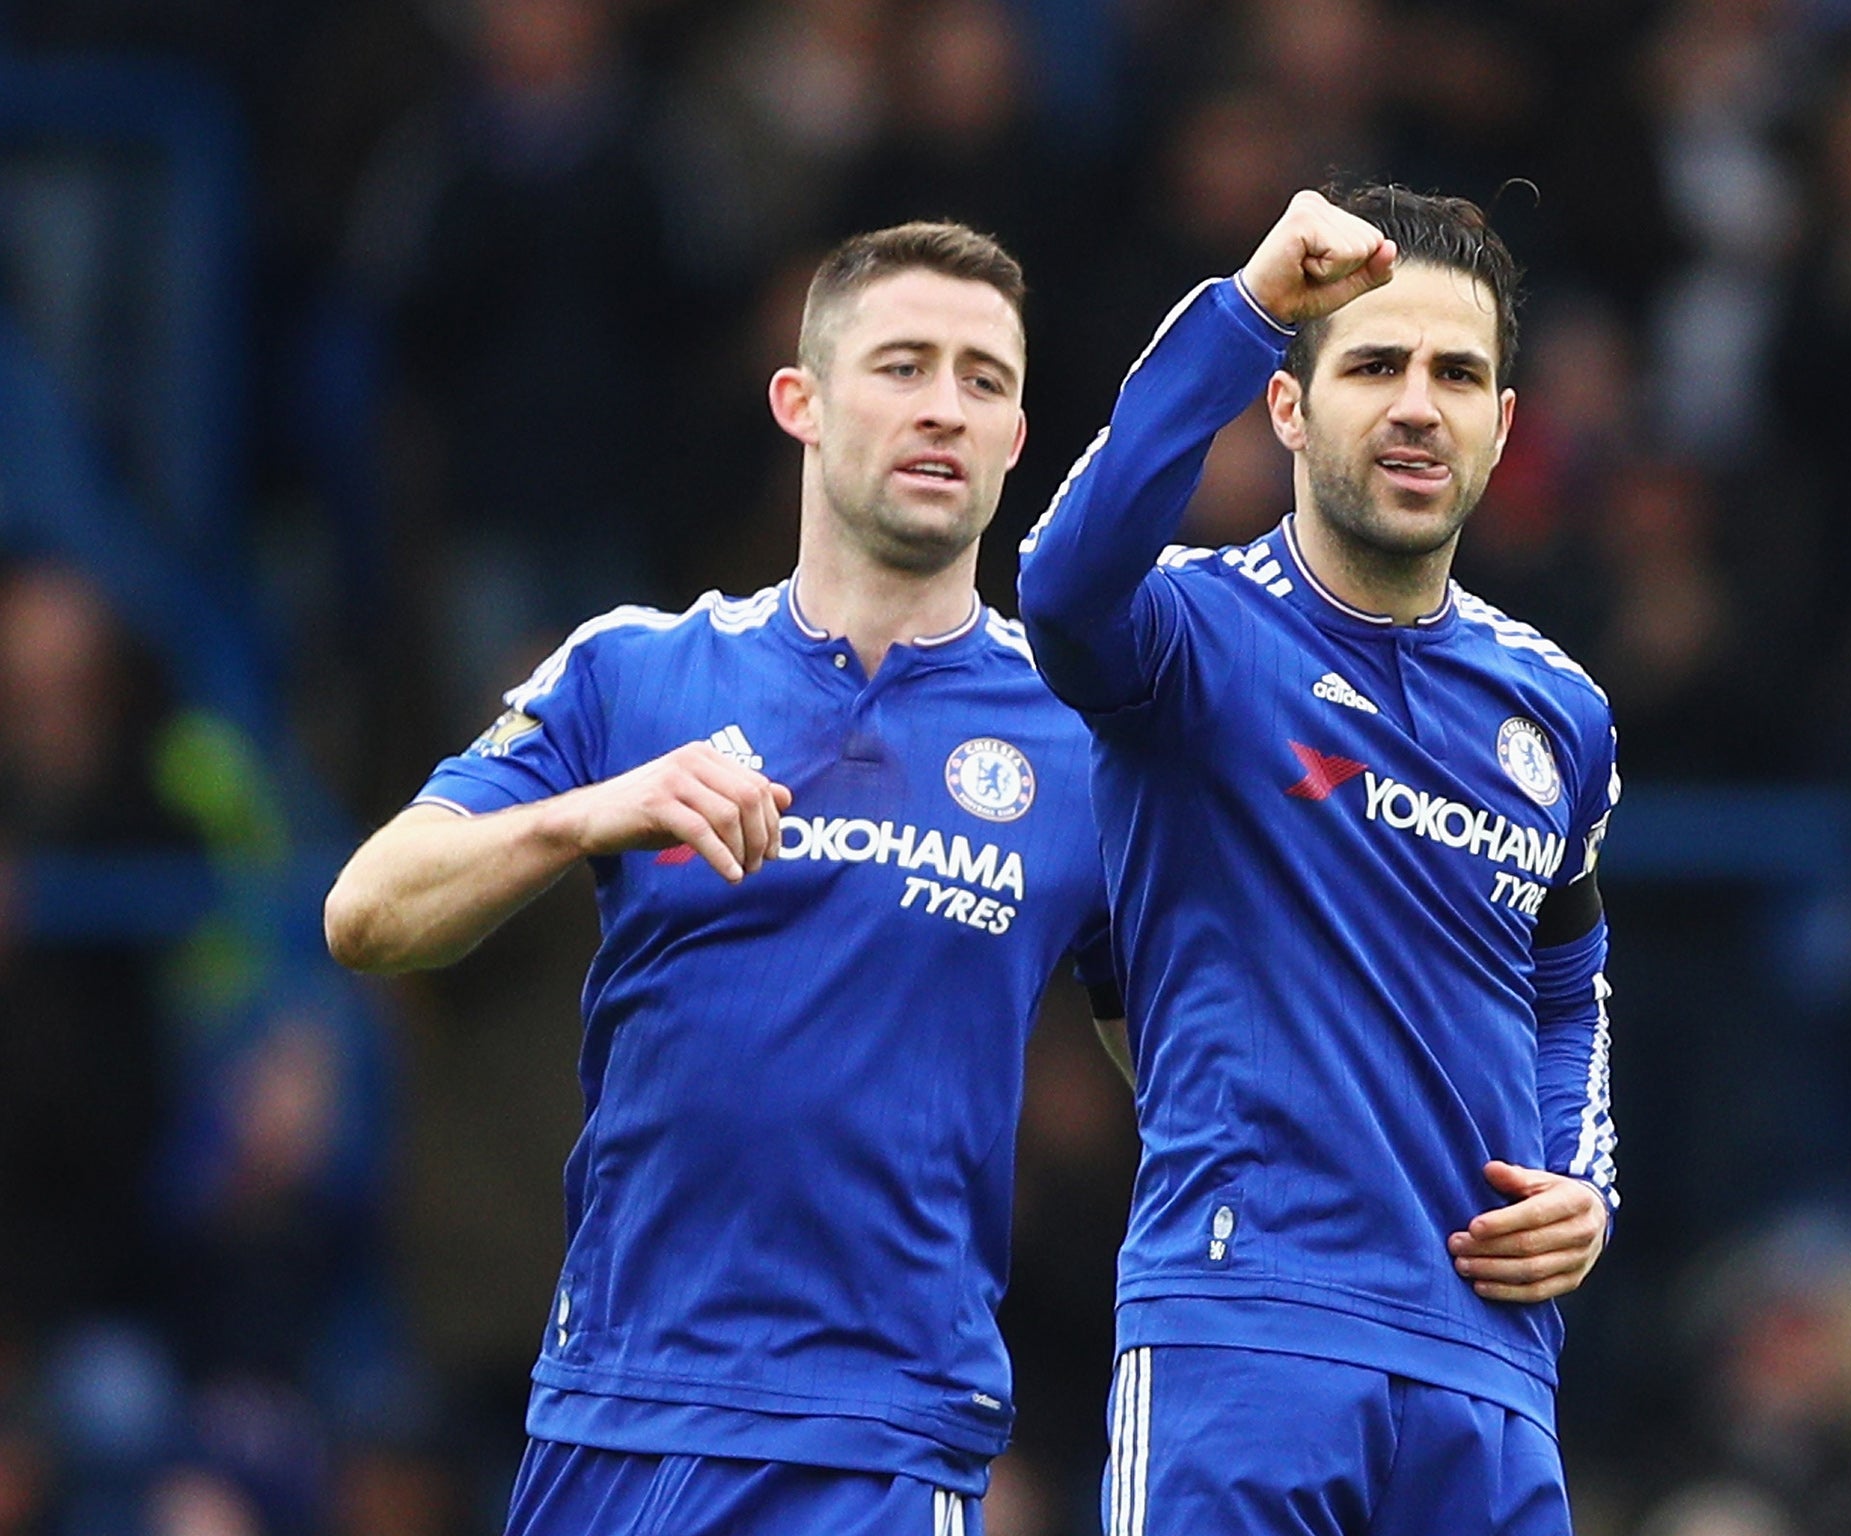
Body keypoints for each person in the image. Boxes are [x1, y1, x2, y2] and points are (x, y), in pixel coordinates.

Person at [324, 221, 1117, 1536]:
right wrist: (590, 816)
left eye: (983, 380)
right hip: (612, 1414)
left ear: (1018, 438)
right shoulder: (634, 674)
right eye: (904, 365)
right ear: (799, 402)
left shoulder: (1079, 747)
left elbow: (1198, 1058)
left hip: (876, 1436)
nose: (944, 408)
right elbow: (368, 914)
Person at [1016, 186, 1620, 1534]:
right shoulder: (1187, 639)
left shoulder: (1559, 712)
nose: (1419, 405)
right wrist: (1245, 311)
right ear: (1290, 408)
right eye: (1372, 365)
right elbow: (1056, 587)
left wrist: (1584, 1182)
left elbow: (1568, 981)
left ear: (1503, 427)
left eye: (1458, 374)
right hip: (1246, 1328)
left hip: (1492, 1373)